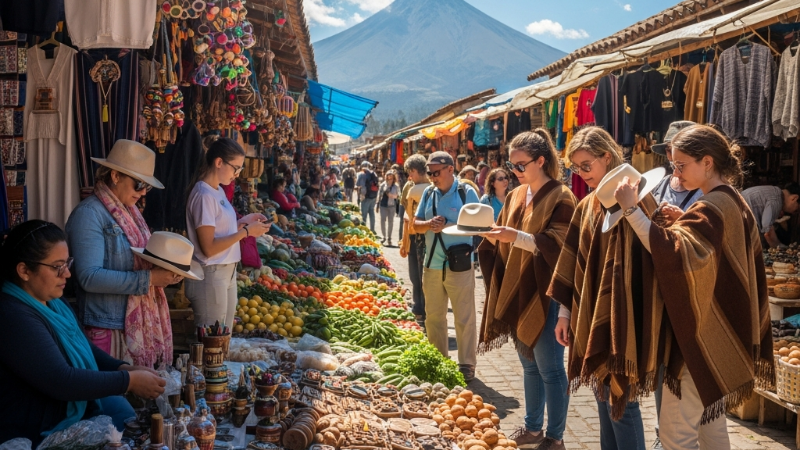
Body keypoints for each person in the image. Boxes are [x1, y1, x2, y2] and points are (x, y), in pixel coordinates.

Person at [614, 124, 773, 450]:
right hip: (715, 336)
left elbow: (673, 255)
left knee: (676, 436)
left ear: (708, 163)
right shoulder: (729, 200)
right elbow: (702, 253)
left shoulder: (714, 206)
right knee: (710, 430)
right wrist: (680, 222)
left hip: (700, 340)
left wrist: (631, 209)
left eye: (682, 165)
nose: (676, 172)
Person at [0, 220, 166, 445]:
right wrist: (128, 381)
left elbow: (85, 348)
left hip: (70, 406)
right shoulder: (12, 315)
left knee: (123, 415)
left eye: (67, 263)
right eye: (58, 266)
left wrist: (123, 368)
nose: (67, 274)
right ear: (24, 271)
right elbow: (61, 380)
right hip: (37, 427)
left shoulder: (53, 302)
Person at [549, 127, 649, 450]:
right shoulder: (587, 205)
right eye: (576, 168)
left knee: (623, 401)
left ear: (607, 156)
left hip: (630, 314)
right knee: (602, 395)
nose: (581, 174)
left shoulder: (640, 197)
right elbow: (575, 267)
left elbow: (653, 256)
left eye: (586, 165)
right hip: (591, 315)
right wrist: (565, 313)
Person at [478, 130, 576, 450]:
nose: (516, 172)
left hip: (547, 295)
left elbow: (560, 247)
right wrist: (486, 235)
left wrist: (514, 237)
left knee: (550, 368)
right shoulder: (516, 196)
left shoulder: (561, 196)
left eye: (521, 166)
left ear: (541, 161)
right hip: (521, 291)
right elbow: (504, 235)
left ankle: (555, 436)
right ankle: (533, 427)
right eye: (512, 166)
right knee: (529, 366)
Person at [66, 140, 176, 366]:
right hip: (106, 326)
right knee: (111, 397)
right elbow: (89, 277)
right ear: (115, 176)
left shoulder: (130, 213)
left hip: (124, 324)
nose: (144, 192)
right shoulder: (89, 214)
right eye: (138, 184)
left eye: (147, 186)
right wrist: (149, 279)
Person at [649, 121, 703, 449]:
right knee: (662, 369)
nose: (674, 167)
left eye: (680, 161)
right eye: (671, 159)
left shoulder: (706, 193)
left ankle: (678, 437)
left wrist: (677, 223)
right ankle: (661, 434)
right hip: (660, 287)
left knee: (685, 374)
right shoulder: (660, 185)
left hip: (689, 291)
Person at [186, 137, 271, 330]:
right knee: (212, 343)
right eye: (236, 168)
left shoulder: (218, 191)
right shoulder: (204, 195)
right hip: (211, 273)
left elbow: (220, 230)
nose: (238, 174)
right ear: (218, 162)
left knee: (223, 338)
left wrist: (242, 223)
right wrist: (246, 232)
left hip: (226, 271)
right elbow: (209, 248)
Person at [414, 151, 480, 381]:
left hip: (460, 264)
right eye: (429, 173)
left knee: (464, 317)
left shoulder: (466, 192)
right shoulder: (428, 193)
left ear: (450, 169)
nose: (432, 177)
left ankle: (467, 364)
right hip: (431, 263)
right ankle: (440, 360)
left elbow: (478, 226)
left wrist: (449, 225)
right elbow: (415, 224)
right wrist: (428, 224)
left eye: (436, 172)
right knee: (433, 317)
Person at [400, 154, 430, 329]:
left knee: (420, 274)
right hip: (415, 234)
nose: (409, 176)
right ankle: (419, 306)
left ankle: (422, 308)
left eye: (410, 173)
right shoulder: (411, 187)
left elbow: (406, 210)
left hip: (421, 235)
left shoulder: (421, 189)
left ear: (413, 171)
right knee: (416, 274)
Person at [651, 122, 703, 212]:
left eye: (679, 150)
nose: (673, 156)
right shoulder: (661, 183)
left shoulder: (706, 192)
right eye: (669, 150)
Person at [742, 182, 800, 249]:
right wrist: (780, 246)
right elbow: (767, 232)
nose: (794, 213)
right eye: (797, 210)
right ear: (794, 198)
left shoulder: (774, 191)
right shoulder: (777, 200)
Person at [377, 170, 400, 246]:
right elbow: (379, 195)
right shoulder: (383, 185)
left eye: (391, 178)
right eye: (388, 178)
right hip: (383, 205)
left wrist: (391, 195)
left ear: (394, 178)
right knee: (382, 221)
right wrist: (377, 204)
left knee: (390, 222)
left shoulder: (396, 186)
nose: (389, 179)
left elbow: (398, 195)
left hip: (391, 205)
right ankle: (384, 237)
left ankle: (389, 238)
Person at [356, 161, 379, 234]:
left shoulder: (362, 174)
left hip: (366, 196)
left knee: (364, 214)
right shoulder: (373, 173)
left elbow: (360, 186)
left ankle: (364, 230)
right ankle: (372, 229)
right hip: (373, 196)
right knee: (371, 212)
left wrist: (362, 196)